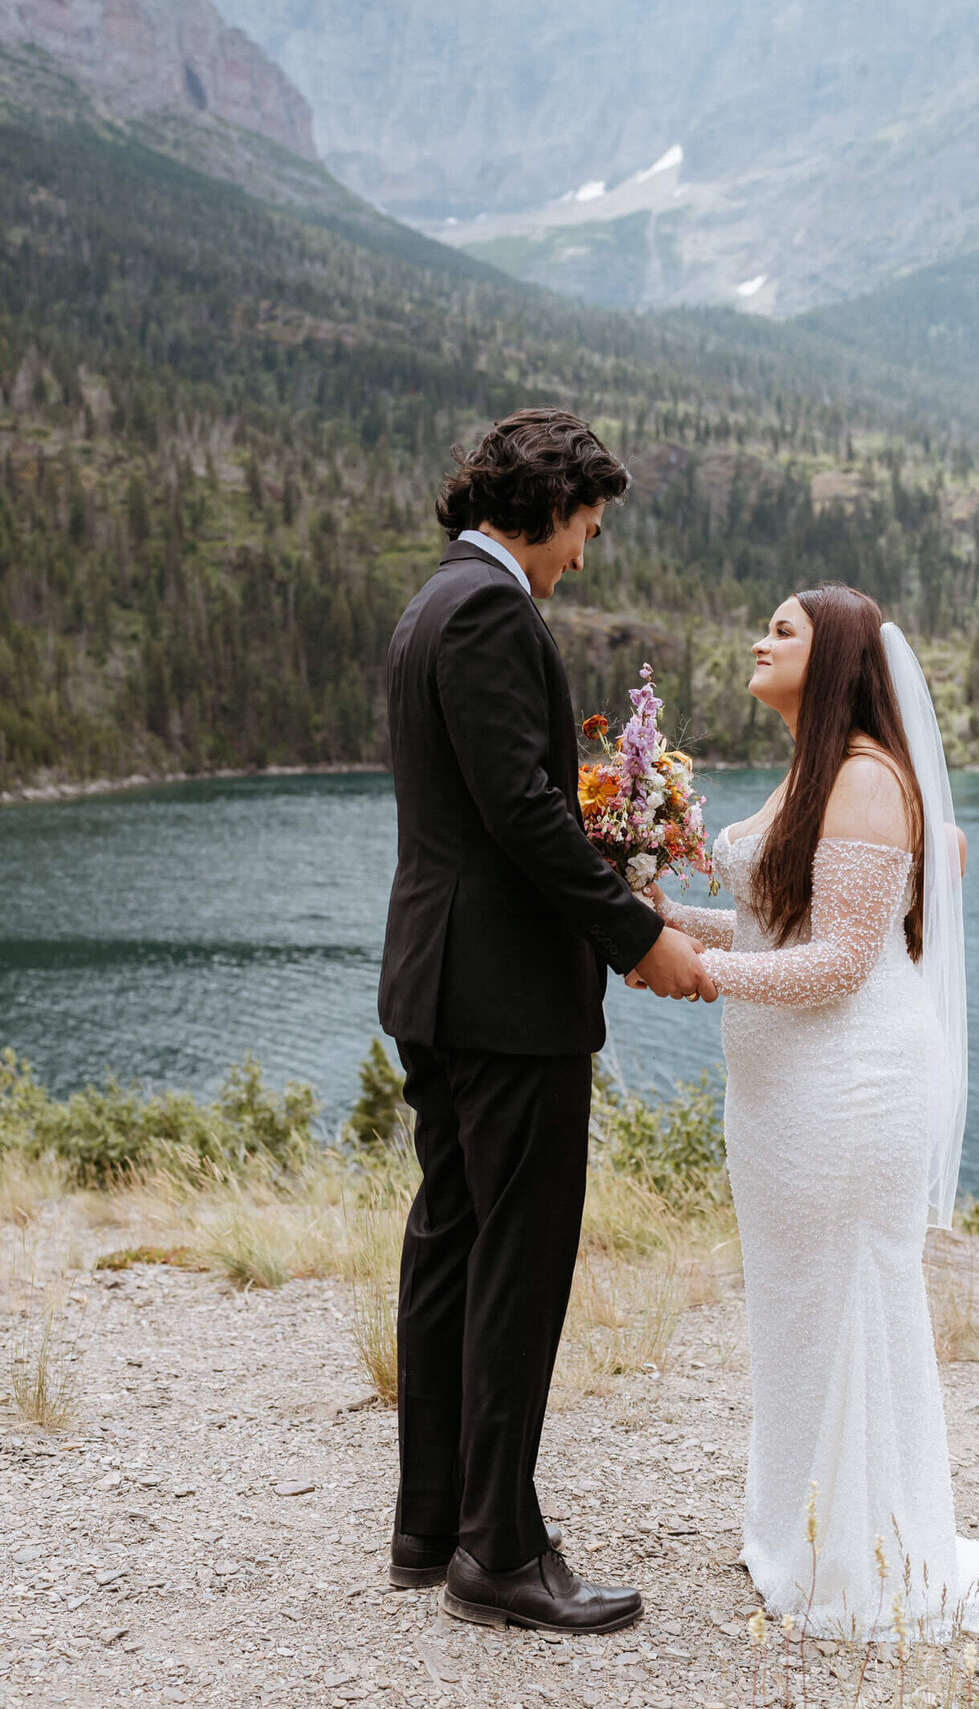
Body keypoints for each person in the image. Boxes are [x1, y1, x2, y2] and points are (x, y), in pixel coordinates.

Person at [649, 583, 979, 1638]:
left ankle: (866, 1550)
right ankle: (804, 1528)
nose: (758, 641)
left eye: (783, 630)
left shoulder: (863, 780)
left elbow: (840, 965)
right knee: (796, 1303)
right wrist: (665, 919)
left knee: (850, 1295)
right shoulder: (814, 773)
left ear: (838, 655)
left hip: (847, 1087)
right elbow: (777, 925)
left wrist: (699, 973)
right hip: (780, 1092)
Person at [376, 407, 715, 1635]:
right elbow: (521, 818)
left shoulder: (437, 602)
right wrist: (640, 937)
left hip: (448, 981)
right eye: (589, 525)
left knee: (455, 1249)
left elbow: (495, 811)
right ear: (552, 508)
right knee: (516, 1264)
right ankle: (500, 1552)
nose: (587, 552)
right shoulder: (485, 609)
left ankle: (433, 1522)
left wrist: (619, 875)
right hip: (503, 998)